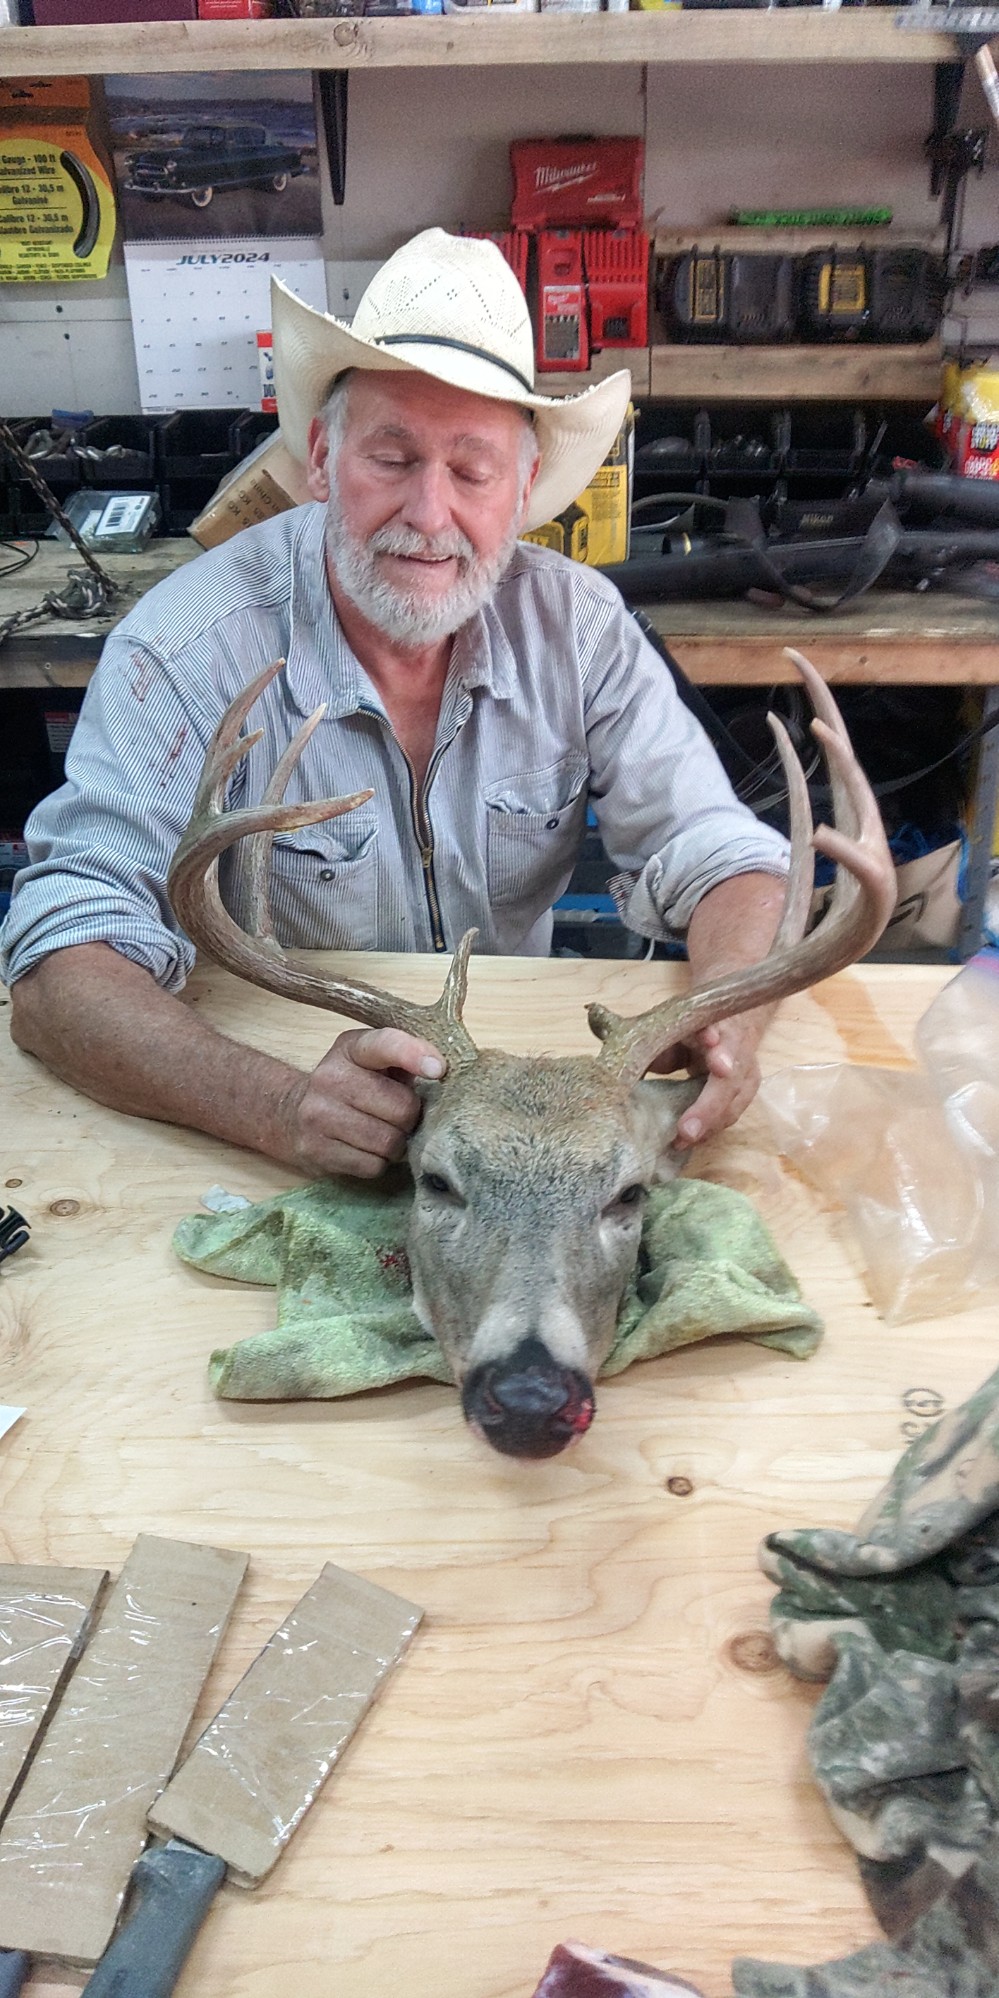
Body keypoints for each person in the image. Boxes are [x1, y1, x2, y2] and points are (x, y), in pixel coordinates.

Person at [1, 228, 790, 1182]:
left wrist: (727, 1020)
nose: (427, 513)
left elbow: (725, 858)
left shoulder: (577, 626)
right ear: (325, 458)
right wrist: (276, 1106)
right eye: (392, 456)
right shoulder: (187, 648)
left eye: (471, 470)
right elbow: (59, 966)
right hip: (280, 1111)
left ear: (523, 487)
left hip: (524, 1119)